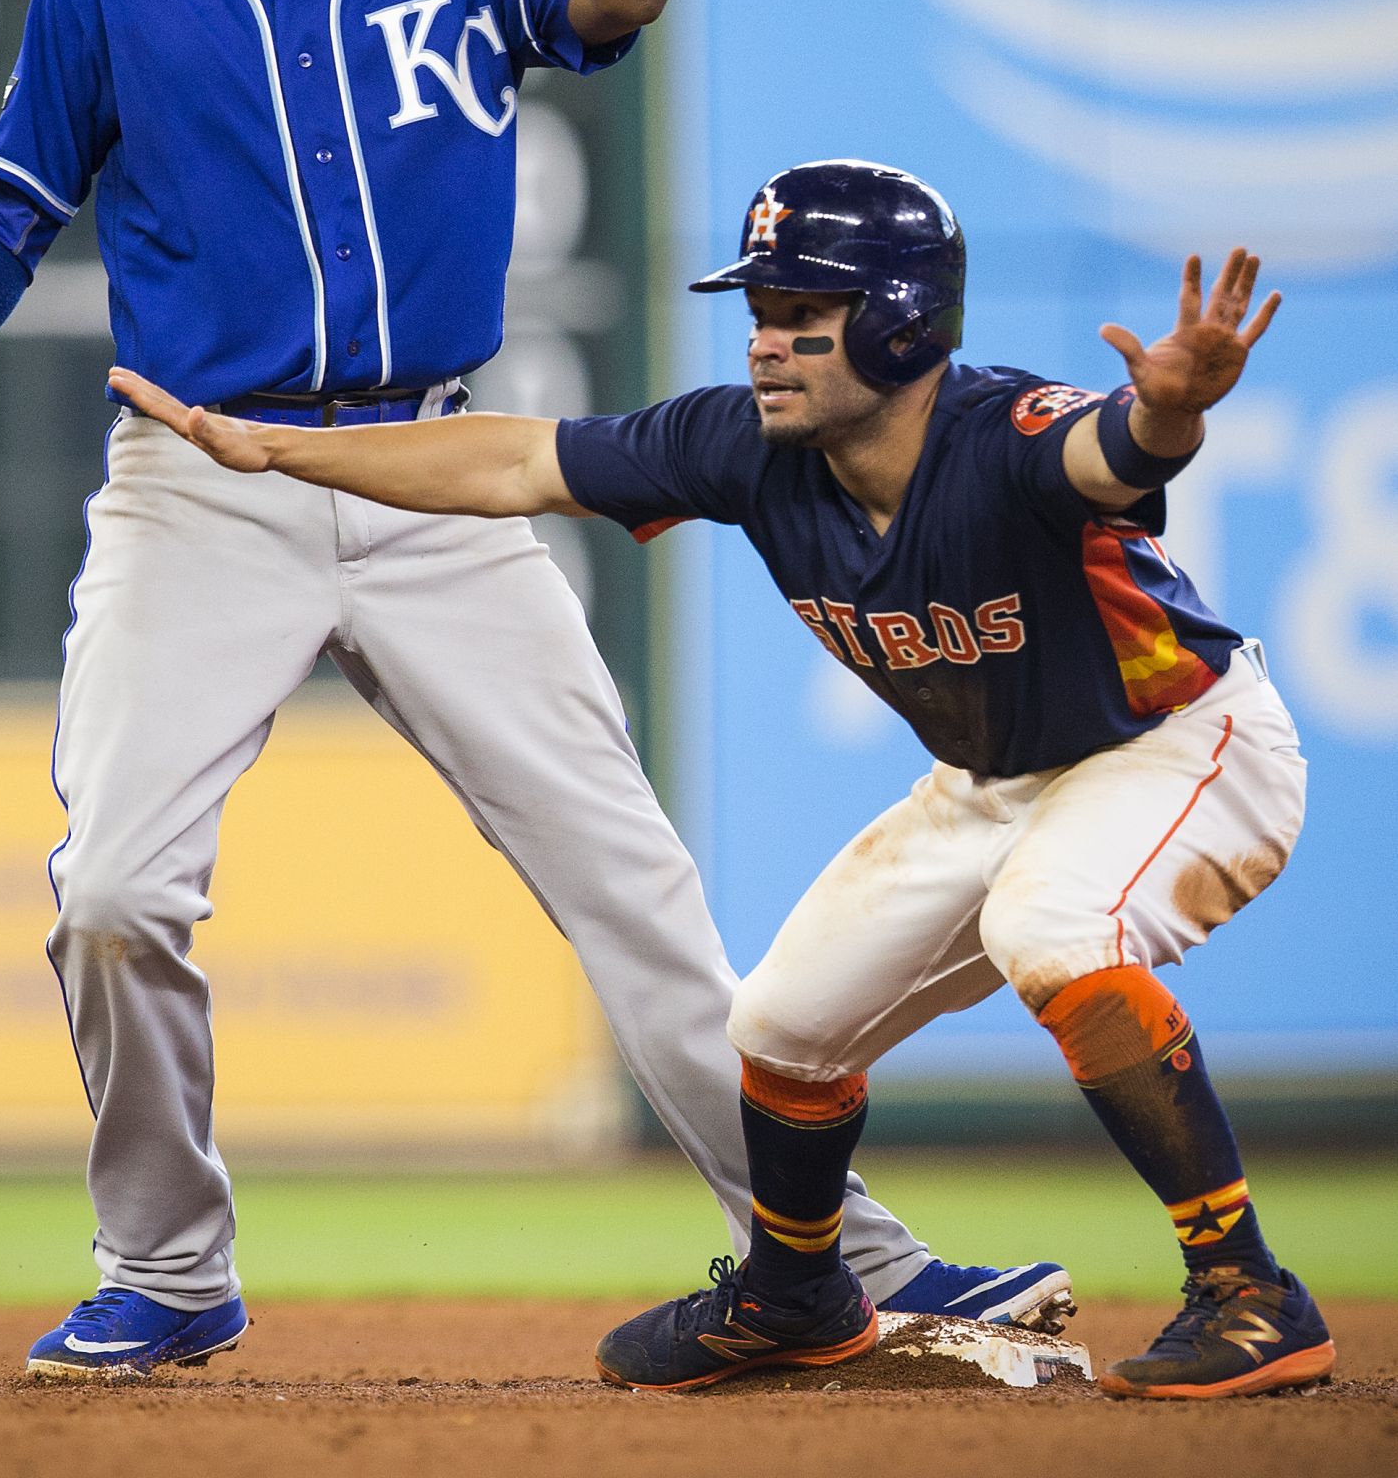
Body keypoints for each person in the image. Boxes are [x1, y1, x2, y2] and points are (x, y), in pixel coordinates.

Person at [0, 0, 1065, 1373]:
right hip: (200, 482)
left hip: (432, 470)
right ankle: (166, 1266)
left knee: (629, 880)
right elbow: (3, 204)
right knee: (111, 891)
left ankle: (846, 1254)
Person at [109, 156, 1335, 1402]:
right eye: (757, 314)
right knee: (783, 1031)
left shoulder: (1001, 436)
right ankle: (799, 1293)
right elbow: (514, 463)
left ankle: (1248, 1290)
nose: (768, 343)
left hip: (1181, 742)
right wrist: (279, 451)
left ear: (903, 318)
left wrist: (1173, 411)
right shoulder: (746, 449)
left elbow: (1110, 452)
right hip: (993, 780)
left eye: (805, 313)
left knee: (1053, 927)